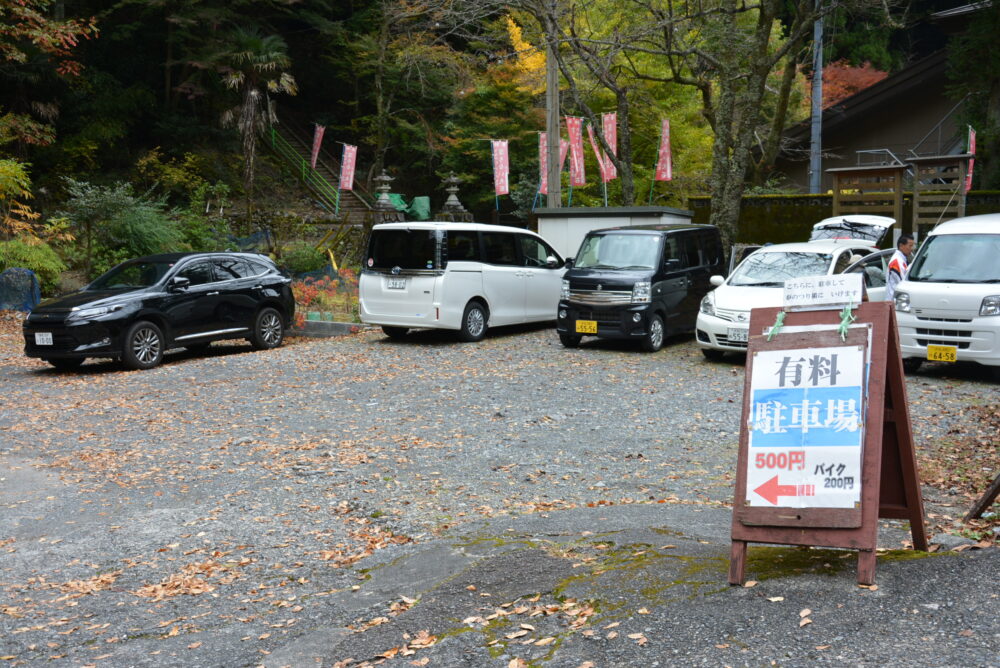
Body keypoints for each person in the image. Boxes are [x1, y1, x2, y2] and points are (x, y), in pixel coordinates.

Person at [885, 234, 915, 302]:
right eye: (910, 246)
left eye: (912, 246)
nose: (912, 248)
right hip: (894, 303)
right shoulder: (897, 262)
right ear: (901, 246)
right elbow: (903, 283)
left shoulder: (901, 260)